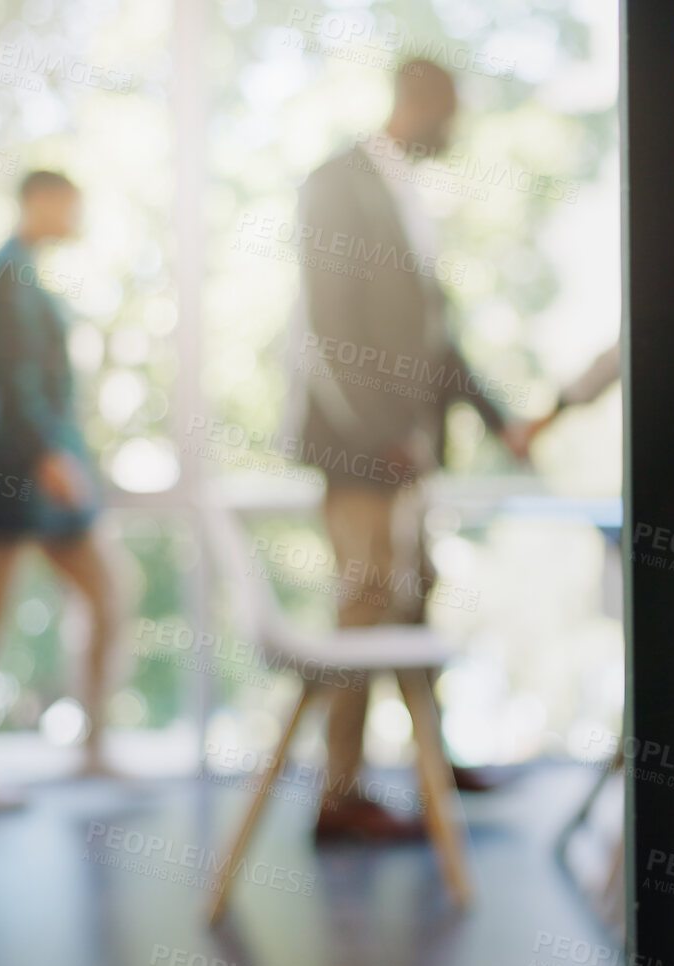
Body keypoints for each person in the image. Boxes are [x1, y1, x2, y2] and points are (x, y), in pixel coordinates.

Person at [287, 59, 534, 841]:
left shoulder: (406, 197)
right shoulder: (335, 183)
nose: (453, 130)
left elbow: (435, 340)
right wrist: (380, 435)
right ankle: (340, 793)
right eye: (451, 111)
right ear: (420, 102)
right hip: (363, 452)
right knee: (363, 606)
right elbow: (328, 333)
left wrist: (499, 421)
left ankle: (432, 758)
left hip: (407, 453)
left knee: (412, 596)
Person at [0, 170, 122, 813]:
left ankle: (94, 747)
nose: (78, 215)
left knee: (108, 590)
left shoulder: (26, 275)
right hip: (6, 480)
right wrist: (44, 453)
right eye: (71, 203)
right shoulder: (4, 274)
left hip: (40, 481)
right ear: (40, 201)